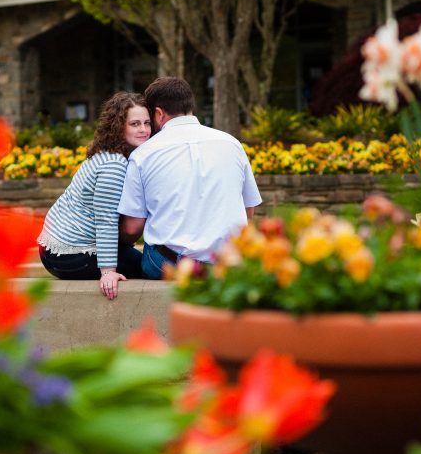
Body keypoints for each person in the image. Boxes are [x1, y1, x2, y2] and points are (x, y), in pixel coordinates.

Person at [118, 77, 262, 279]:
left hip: (171, 264)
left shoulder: (143, 154)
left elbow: (132, 228)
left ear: (158, 113)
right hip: (229, 263)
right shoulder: (232, 144)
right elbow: (248, 211)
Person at [38, 92, 150, 299]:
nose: (143, 130)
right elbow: (106, 219)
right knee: (149, 268)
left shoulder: (110, 152)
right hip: (68, 255)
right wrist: (108, 272)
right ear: (118, 126)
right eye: (135, 124)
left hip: (59, 248)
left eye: (147, 123)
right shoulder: (114, 165)